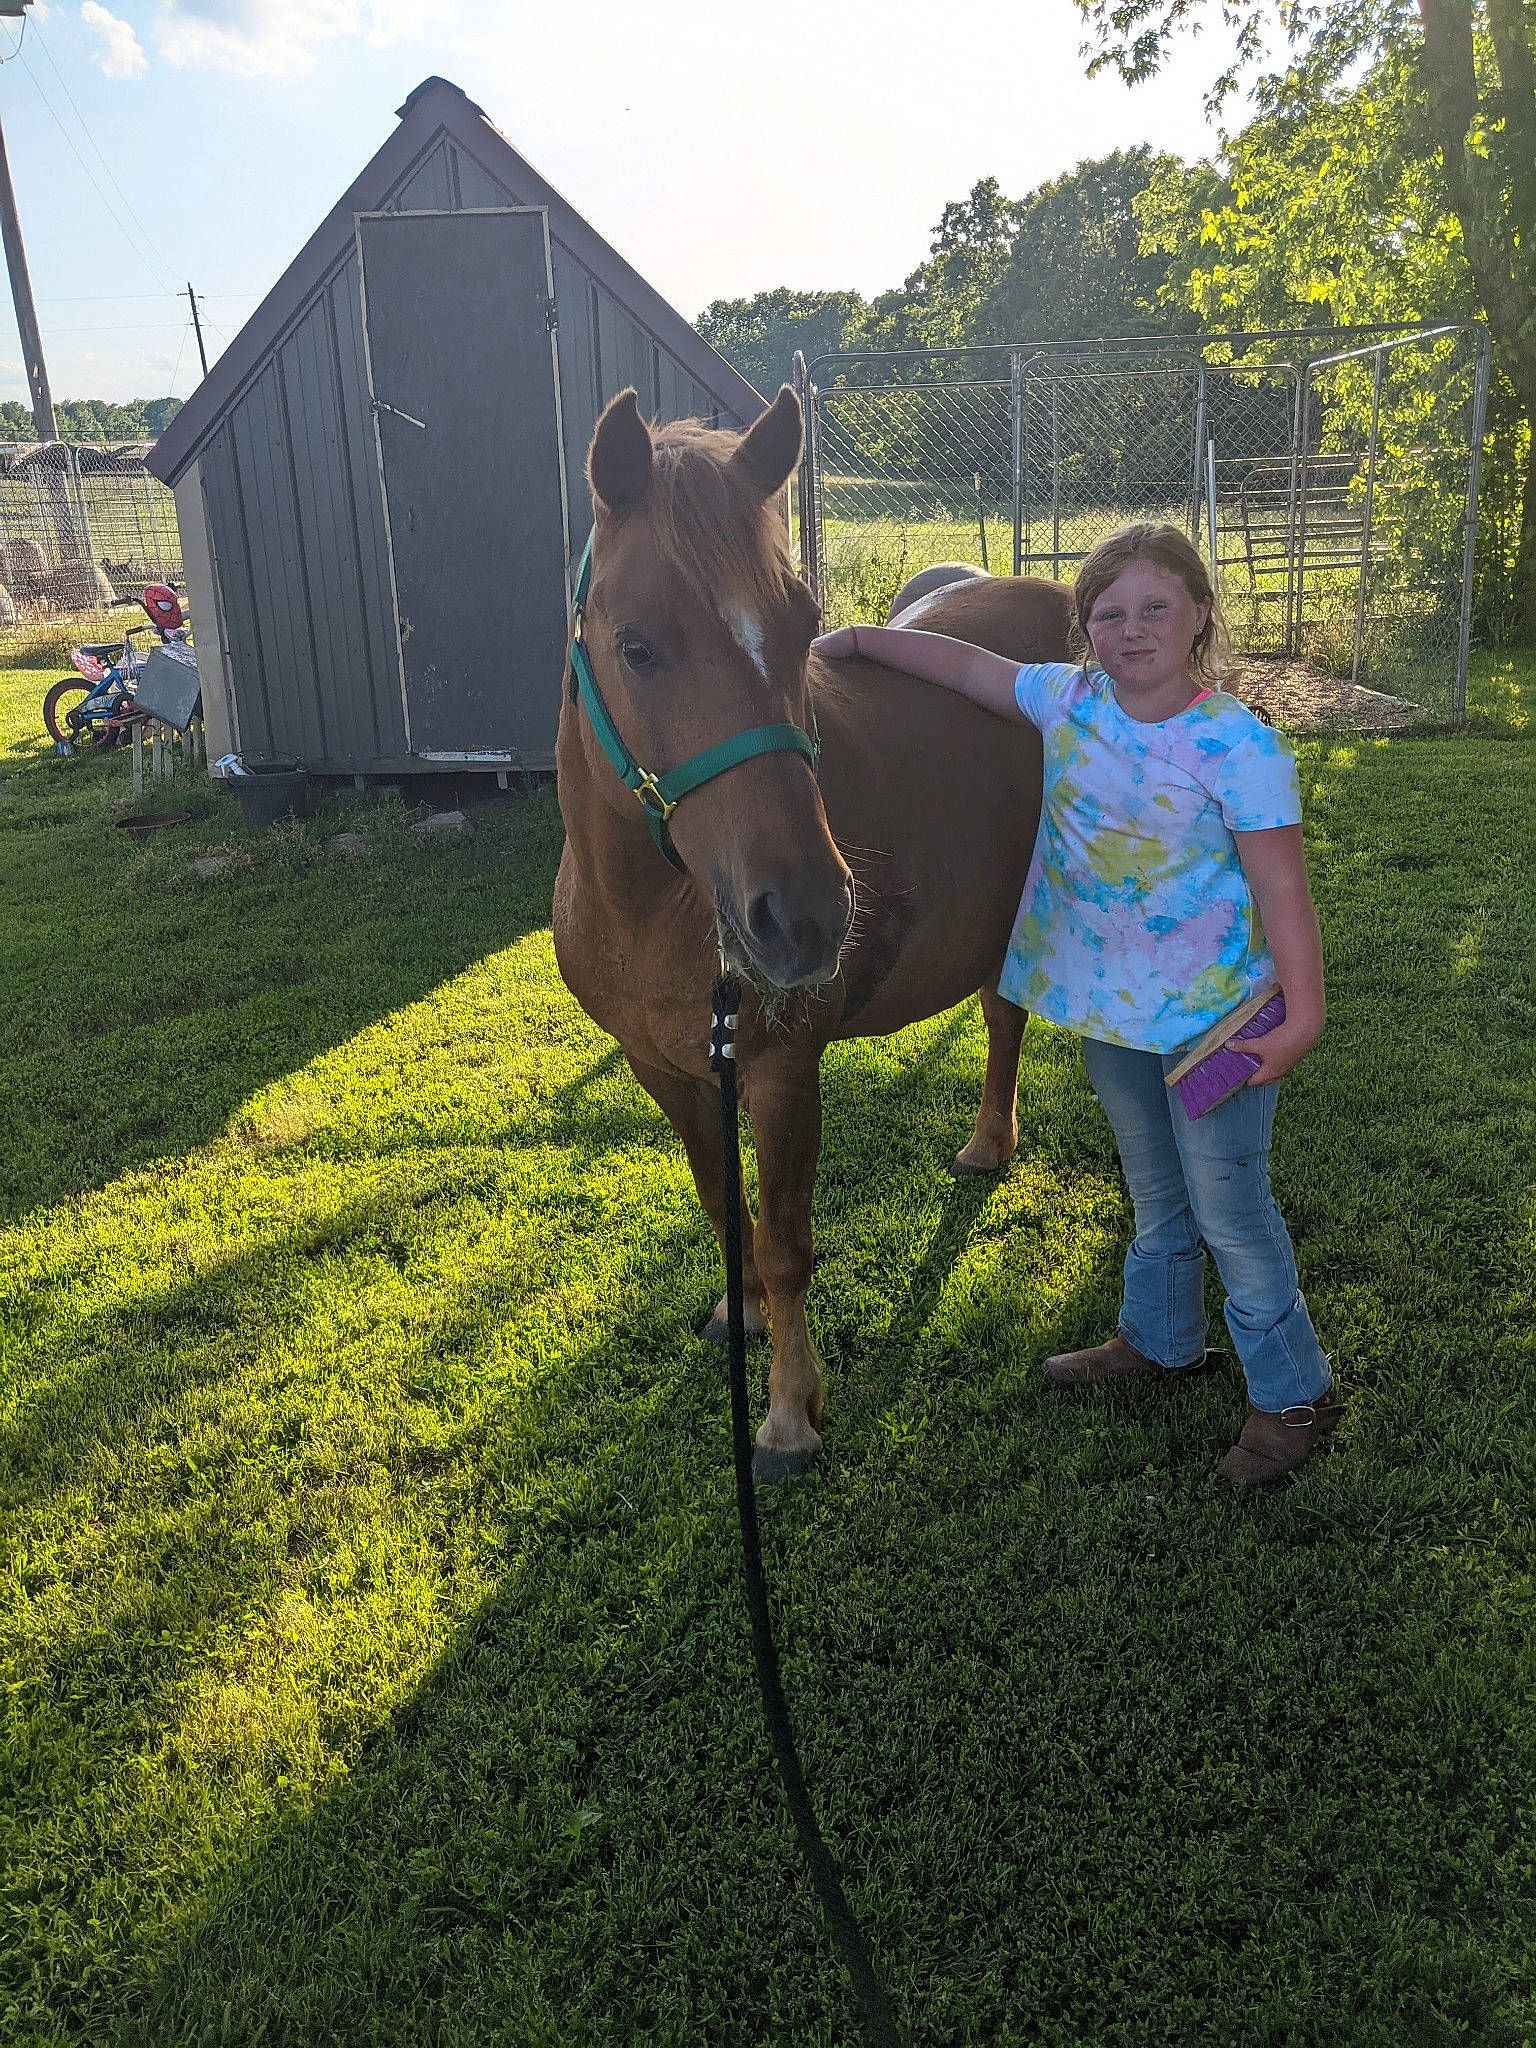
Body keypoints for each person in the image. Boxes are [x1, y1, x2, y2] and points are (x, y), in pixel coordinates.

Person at [812, 523, 1340, 1488]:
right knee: (1153, 1192)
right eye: (1109, 613)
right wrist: (854, 641)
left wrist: (1299, 1013)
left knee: (1232, 1210)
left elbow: (1283, 893)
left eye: (1155, 609)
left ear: (1199, 619)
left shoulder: (1238, 744)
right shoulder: (1069, 701)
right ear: (1082, 630)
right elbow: (965, 666)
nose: (1132, 630)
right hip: (1111, 1013)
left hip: (1219, 1021)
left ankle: (1291, 1391)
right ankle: (1161, 1338)